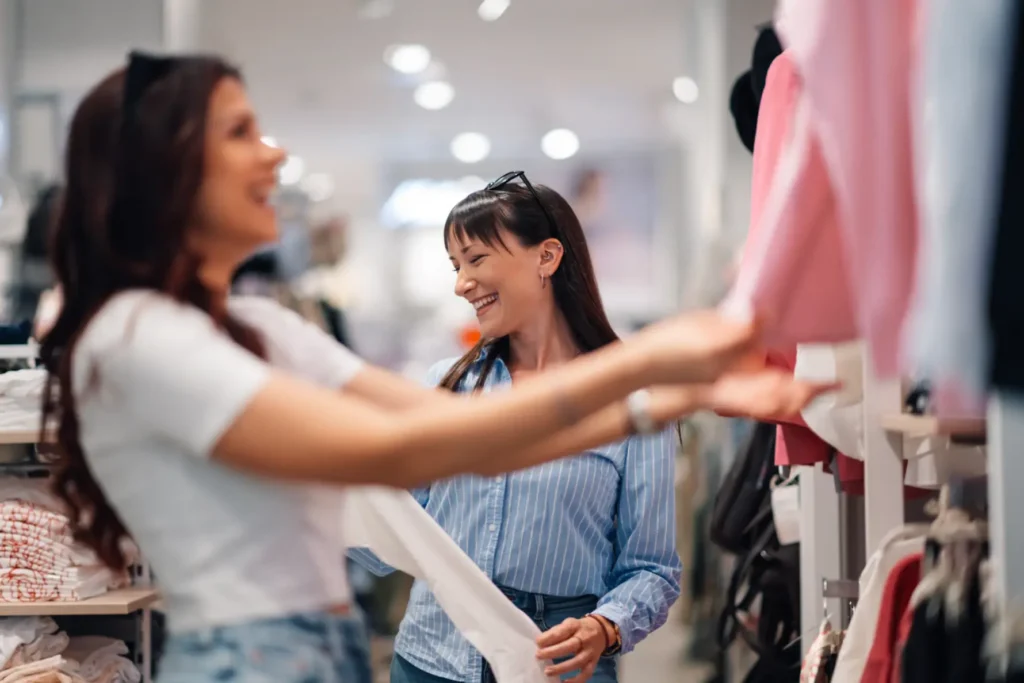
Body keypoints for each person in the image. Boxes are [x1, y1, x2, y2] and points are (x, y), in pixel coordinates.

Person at [40, 51, 833, 683]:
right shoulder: (141, 337)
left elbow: (456, 432)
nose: (275, 153)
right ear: (166, 168)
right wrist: (651, 371)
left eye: (478, 258)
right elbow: (399, 454)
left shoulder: (254, 324)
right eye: (242, 132)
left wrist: (655, 399)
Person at [354, 172, 681, 683]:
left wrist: (604, 627)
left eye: (476, 259)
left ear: (547, 258)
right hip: (432, 656)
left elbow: (653, 568)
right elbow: (386, 536)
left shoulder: (631, 401)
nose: (462, 283)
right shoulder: (445, 386)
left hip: (558, 661)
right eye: (456, 265)